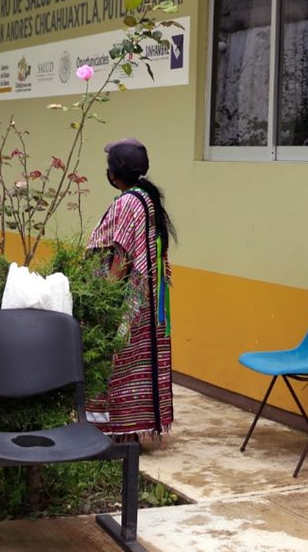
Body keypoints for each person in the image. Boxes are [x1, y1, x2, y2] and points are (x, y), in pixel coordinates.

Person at [86, 137, 176, 439]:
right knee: (135, 362)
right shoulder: (147, 199)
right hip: (146, 299)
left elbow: (123, 255)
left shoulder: (128, 203)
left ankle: (116, 429)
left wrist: (106, 298)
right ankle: (132, 429)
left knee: (115, 360)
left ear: (114, 174)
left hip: (127, 301)